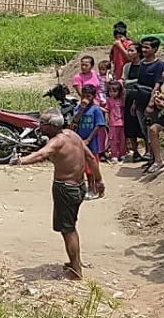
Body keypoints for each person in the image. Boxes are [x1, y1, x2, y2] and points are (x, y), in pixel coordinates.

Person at [11, 109, 105, 280]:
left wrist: (21, 160)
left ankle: (75, 270)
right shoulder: (72, 135)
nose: (40, 126)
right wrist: (99, 180)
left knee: (68, 230)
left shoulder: (57, 142)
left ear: (51, 126)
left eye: (42, 123)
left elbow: (42, 154)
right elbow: (91, 157)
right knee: (71, 226)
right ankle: (74, 261)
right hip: (80, 186)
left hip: (65, 189)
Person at [131, 36, 164, 161]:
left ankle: (155, 158)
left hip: (150, 103)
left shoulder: (159, 65)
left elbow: (157, 86)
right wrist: (134, 103)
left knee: (152, 131)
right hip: (139, 101)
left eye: (147, 47)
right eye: (143, 47)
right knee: (144, 131)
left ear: (155, 49)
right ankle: (150, 157)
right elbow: (138, 84)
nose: (144, 49)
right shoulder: (141, 64)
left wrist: (151, 104)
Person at [71, 84, 107, 195]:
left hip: (92, 143)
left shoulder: (96, 109)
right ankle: (88, 187)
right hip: (80, 141)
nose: (86, 99)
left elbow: (98, 126)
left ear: (93, 96)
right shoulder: (78, 108)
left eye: (89, 96)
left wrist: (89, 139)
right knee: (83, 166)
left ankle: (94, 187)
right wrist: (82, 108)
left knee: (92, 166)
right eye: (84, 96)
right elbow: (74, 121)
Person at [123, 43, 146, 162]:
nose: (129, 53)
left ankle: (148, 151)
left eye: (131, 51)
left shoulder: (144, 65)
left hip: (142, 97)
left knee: (143, 124)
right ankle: (135, 152)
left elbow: (127, 82)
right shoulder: (127, 66)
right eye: (128, 51)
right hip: (129, 97)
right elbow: (124, 82)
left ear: (138, 52)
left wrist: (131, 83)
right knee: (130, 125)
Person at [105, 80, 128, 162]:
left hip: (122, 123)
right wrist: (107, 119)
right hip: (112, 123)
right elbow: (107, 110)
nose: (112, 93)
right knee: (113, 140)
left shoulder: (122, 100)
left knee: (122, 139)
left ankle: (122, 154)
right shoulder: (108, 100)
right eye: (110, 91)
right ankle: (114, 154)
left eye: (114, 91)